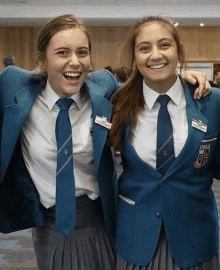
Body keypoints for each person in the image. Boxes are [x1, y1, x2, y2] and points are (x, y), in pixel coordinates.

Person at [0, 14, 211, 270]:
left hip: (103, 219)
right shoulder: (13, 87)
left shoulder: (104, 90)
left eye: (82, 52)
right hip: (50, 224)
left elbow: (145, 84)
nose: (74, 62)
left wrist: (181, 77)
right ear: (43, 59)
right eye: (62, 52)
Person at [110, 16, 220, 270]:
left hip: (195, 240)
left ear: (178, 51)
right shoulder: (117, 103)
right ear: (135, 57)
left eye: (164, 45)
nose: (155, 55)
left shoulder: (211, 102)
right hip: (136, 238)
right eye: (144, 48)